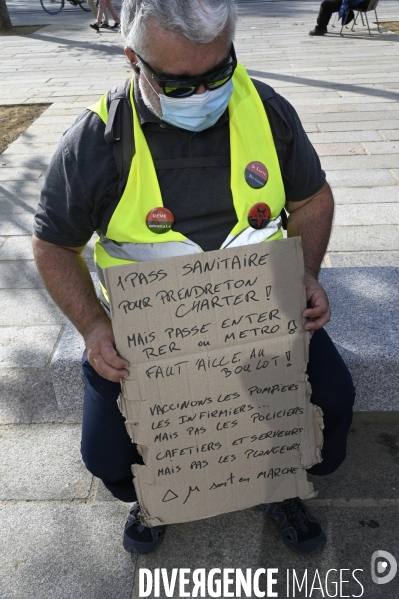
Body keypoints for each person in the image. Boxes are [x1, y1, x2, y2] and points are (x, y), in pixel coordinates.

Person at [33, 0, 355, 556]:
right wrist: (92, 327)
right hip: (147, 342)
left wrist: (306, 275)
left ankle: (277, 486)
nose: (204, 94)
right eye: (180, 84)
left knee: (332, 415)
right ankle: (156, 491)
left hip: (263, 318)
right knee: (107, 459)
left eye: (219, 71)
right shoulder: (93, 141)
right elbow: (53, 244)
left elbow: (311, 199)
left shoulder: (267, 110)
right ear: (133, 60)